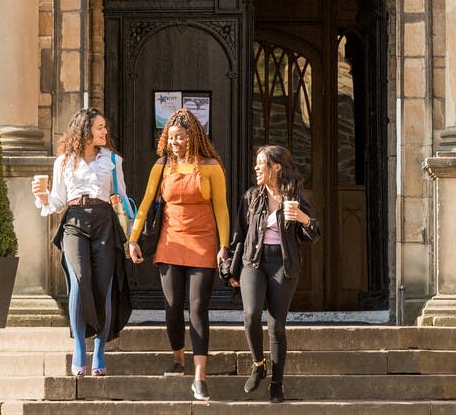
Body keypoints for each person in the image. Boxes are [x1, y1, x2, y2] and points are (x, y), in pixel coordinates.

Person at [126, 109, 230, 401]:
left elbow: (221, 207)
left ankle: (200, 377)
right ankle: (178, 357)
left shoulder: (211, 166)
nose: (174, 142)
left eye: (180, 137)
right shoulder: (162, 166)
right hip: (170, 242)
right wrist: (133, 239)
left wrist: (224, 246)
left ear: (192, 137)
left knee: (197, 308)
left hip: (203, 242)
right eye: (170, 137)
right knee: (172, 306)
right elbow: (146, 202)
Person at [32, 108, 133, 377]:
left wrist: (131, 236)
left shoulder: (113, 160)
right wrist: (42, 196)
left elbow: (121, 198)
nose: (105, 131)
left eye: (104, 127)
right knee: (79, 279)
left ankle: (99, 347)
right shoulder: (63, 162)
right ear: (85, 130)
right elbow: (56, 203)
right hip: (74, 221)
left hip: (105, 222)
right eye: (100, 127)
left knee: (104, 286)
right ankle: (79, 346)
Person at [231, 145, 321, 403]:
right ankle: (258, 364)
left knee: (276, 326)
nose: (256, 168)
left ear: (276, 167)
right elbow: (240, 233)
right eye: (256, 163)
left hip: (283, 263)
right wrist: (231, 266)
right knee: (250, 315)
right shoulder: (251, 197)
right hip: (254, 261)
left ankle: (276, 383)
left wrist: (303, 219)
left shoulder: (295, 198)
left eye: (261, 163)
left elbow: (312, 234)